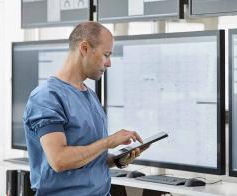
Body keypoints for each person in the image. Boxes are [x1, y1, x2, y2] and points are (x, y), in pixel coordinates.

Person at [23, 21, 145, 196]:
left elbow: (86, 157)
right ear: (85, 48)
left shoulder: (89, 94)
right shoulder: (46, 97)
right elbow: (59, 160)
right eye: (106, 55)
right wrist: (109, 141)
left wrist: (115, 160)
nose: (109, 63)